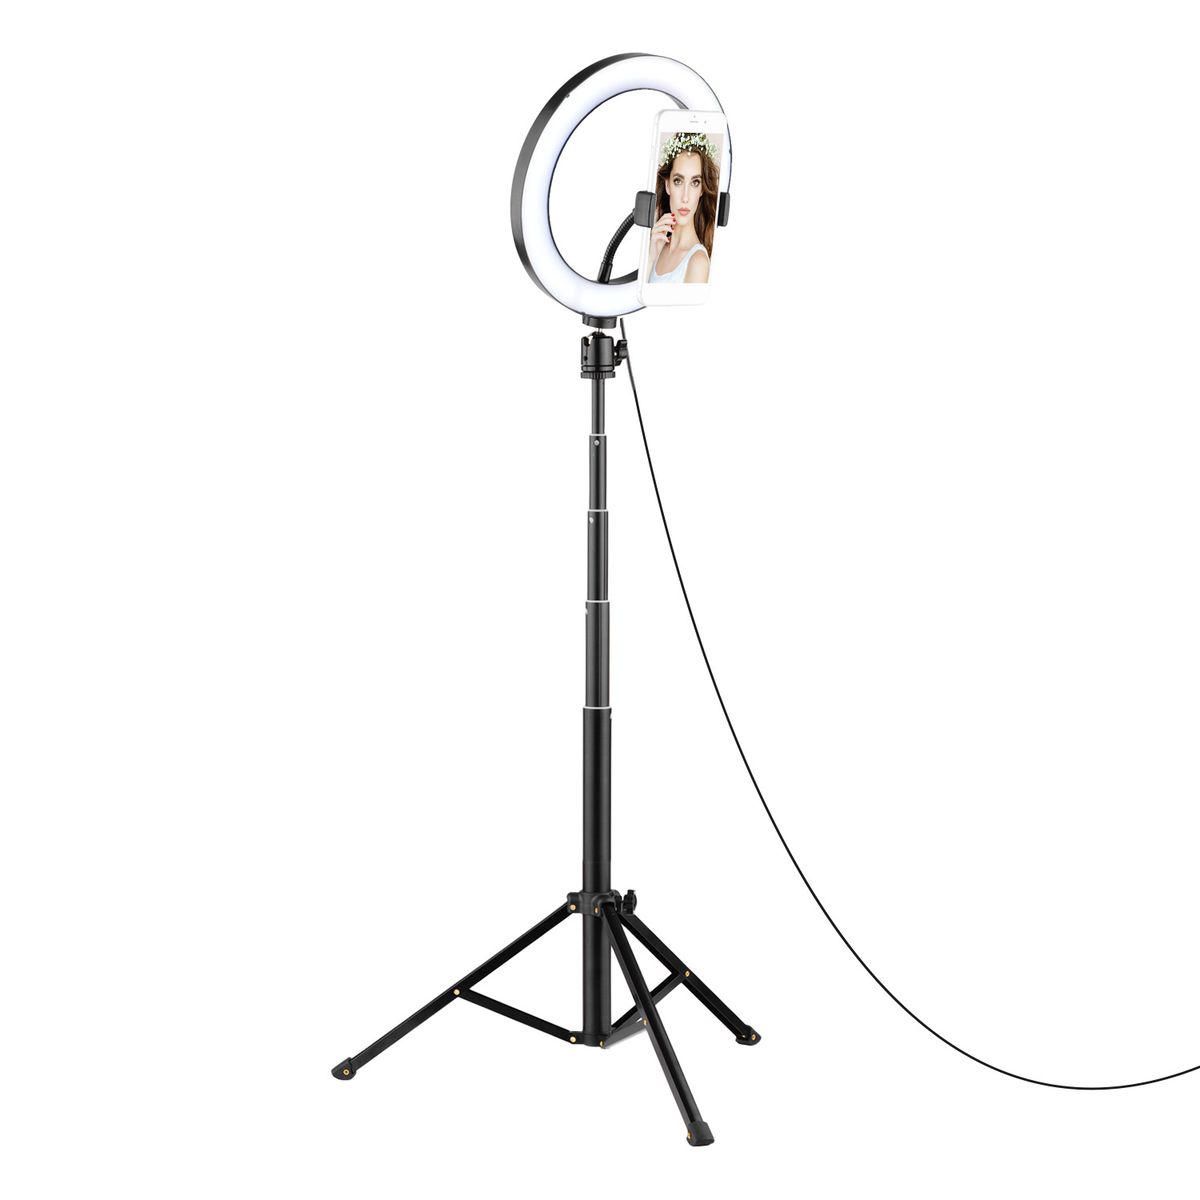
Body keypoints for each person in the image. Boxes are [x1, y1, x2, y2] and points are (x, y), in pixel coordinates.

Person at [646, 132, 720, 284]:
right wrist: (650, 257)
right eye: (678, 181)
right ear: (667, 185)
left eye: (695, 183)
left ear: (701, 190)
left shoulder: (698, 262)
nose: (685, 197)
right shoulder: (657, 247)